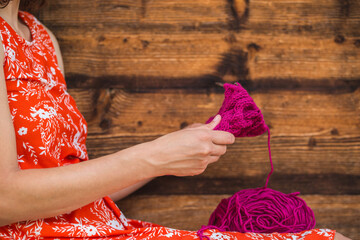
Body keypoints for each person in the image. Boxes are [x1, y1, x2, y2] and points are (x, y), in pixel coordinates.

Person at [0, 1, 351, 239]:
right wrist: (153, 156)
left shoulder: (40, 36)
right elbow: (6, 200)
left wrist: (166, 156)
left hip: (105, 228)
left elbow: (73, 191)